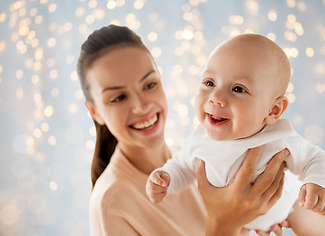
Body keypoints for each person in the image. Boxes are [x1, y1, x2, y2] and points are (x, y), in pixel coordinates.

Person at [77, 24, 290, 236]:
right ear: (94, 112)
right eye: (118, 98)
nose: (142, 106)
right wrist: (225, 224)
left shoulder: (199, 156)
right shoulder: (111, 205)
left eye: (149, 85)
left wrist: (258, 215)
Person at [146, 34, 325, 236]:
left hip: (288, 208)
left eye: (238, 89)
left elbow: (314, 158)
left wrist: (320, 183)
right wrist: (166, 178)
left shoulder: (277, 138)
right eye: (210, 83)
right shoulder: (200, 138)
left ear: (272, 111)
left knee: (314, 220)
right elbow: (183, 166)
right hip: (232, 221)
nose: (216, 97)